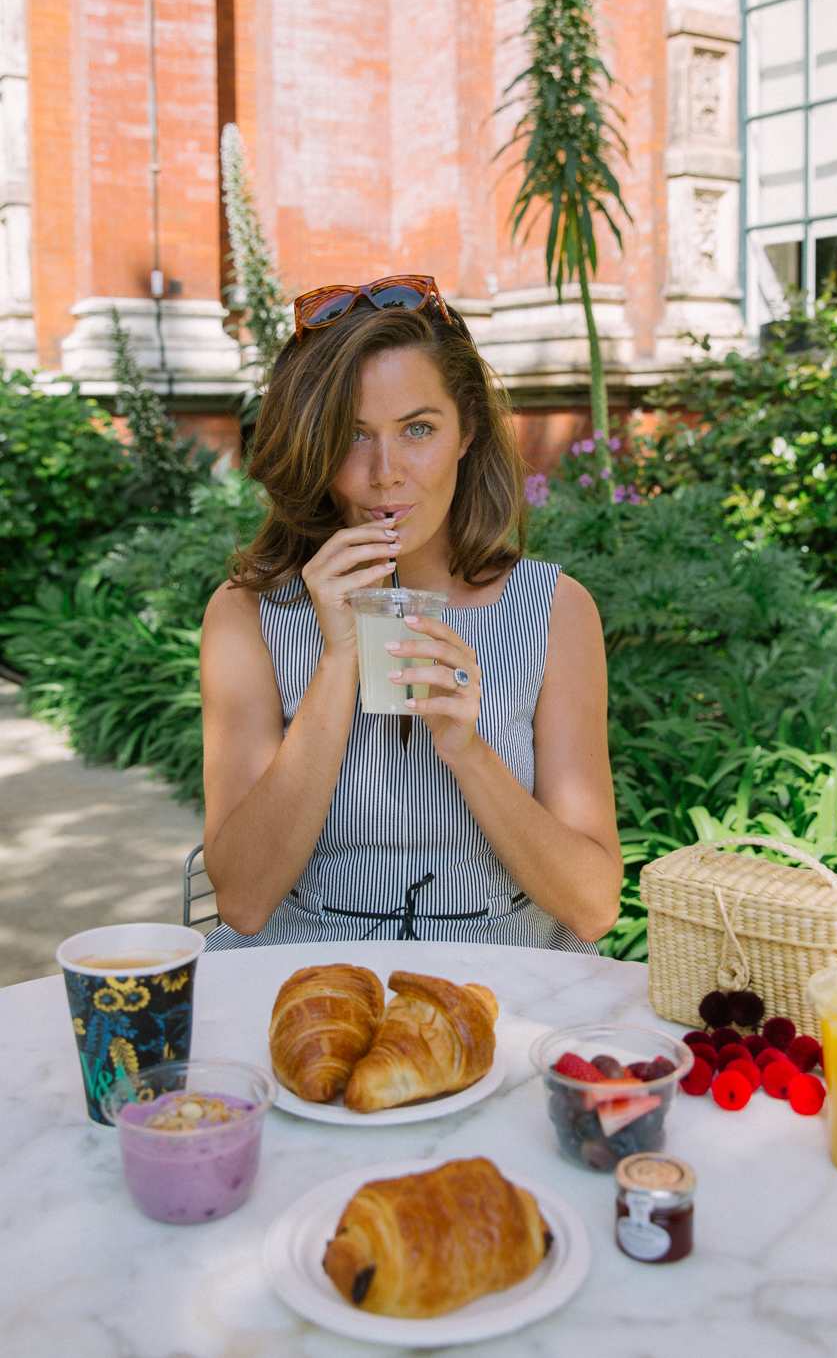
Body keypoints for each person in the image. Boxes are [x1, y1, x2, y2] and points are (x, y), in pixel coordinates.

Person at [200, 274, 622, 952]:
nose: (386, 472)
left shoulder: (554, 611)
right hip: (298, 981)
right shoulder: (246, 615)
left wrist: (466, 748)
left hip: (506, 990)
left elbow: (593, 906)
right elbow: (244, 903)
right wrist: (339, 662)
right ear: (312, 445)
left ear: (467, 432)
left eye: (418, 429)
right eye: (351, 434)